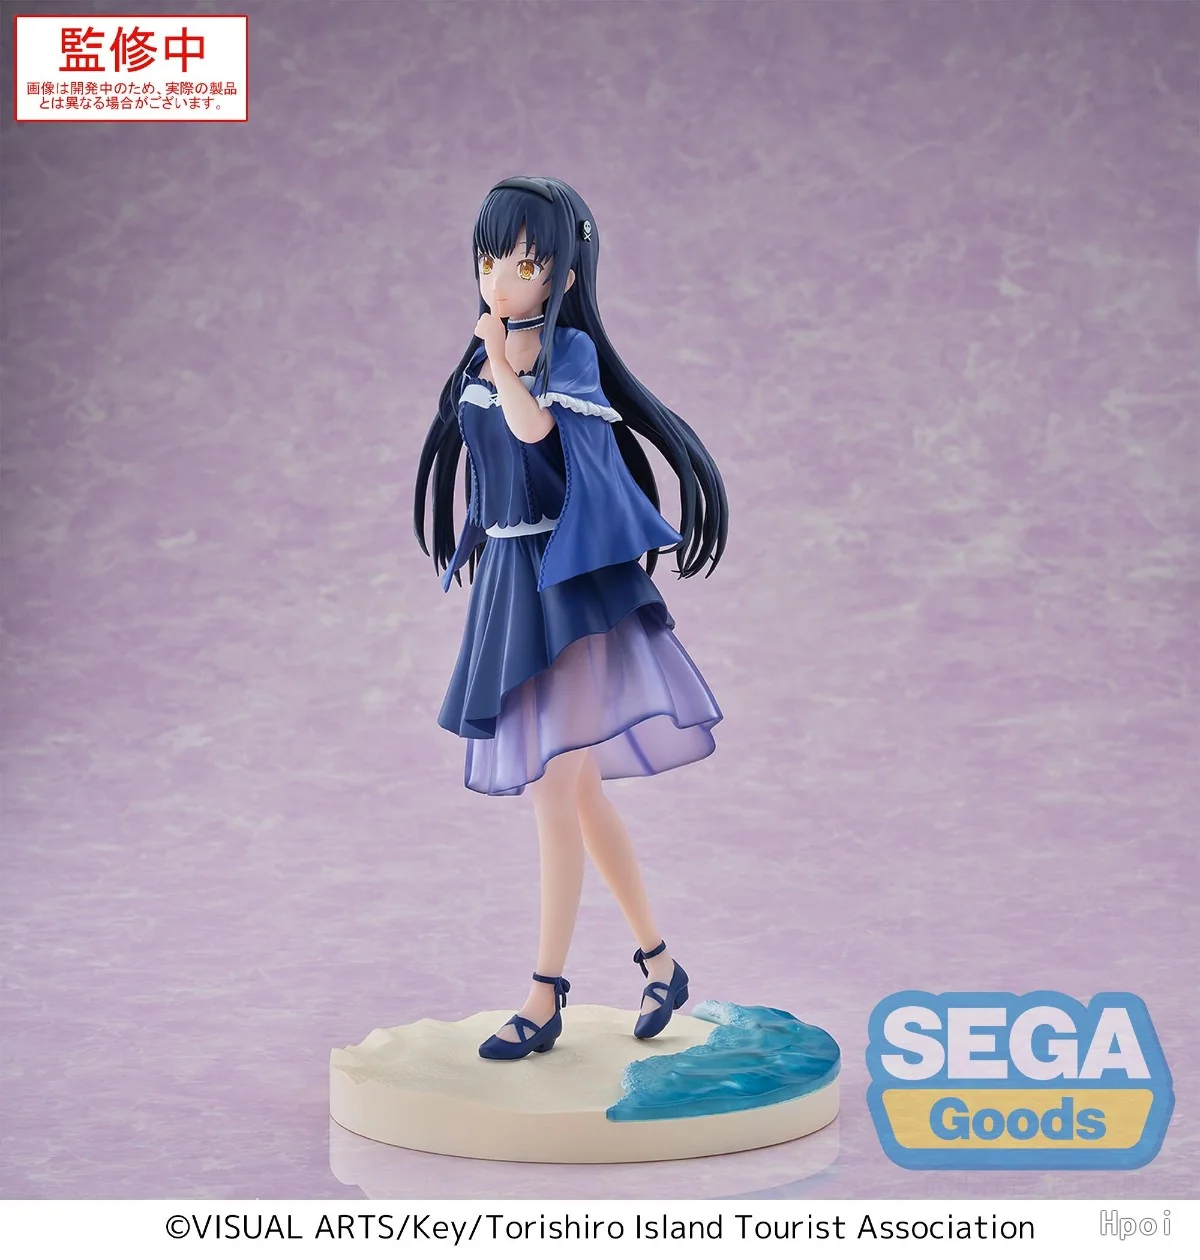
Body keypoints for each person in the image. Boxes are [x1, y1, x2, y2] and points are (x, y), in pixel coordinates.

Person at [414, 176, 728, 1060]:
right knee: (579, 793)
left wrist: (501, 359)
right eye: (489, 260)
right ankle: (660, 964)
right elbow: (487, 468)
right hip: (513, 585)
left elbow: (536, 435)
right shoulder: (482, 360)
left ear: (561, 273)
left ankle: (544, 992)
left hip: (571, 585)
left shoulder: (568, 353)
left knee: (556, 789)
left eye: (522, 265)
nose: (499, 280)